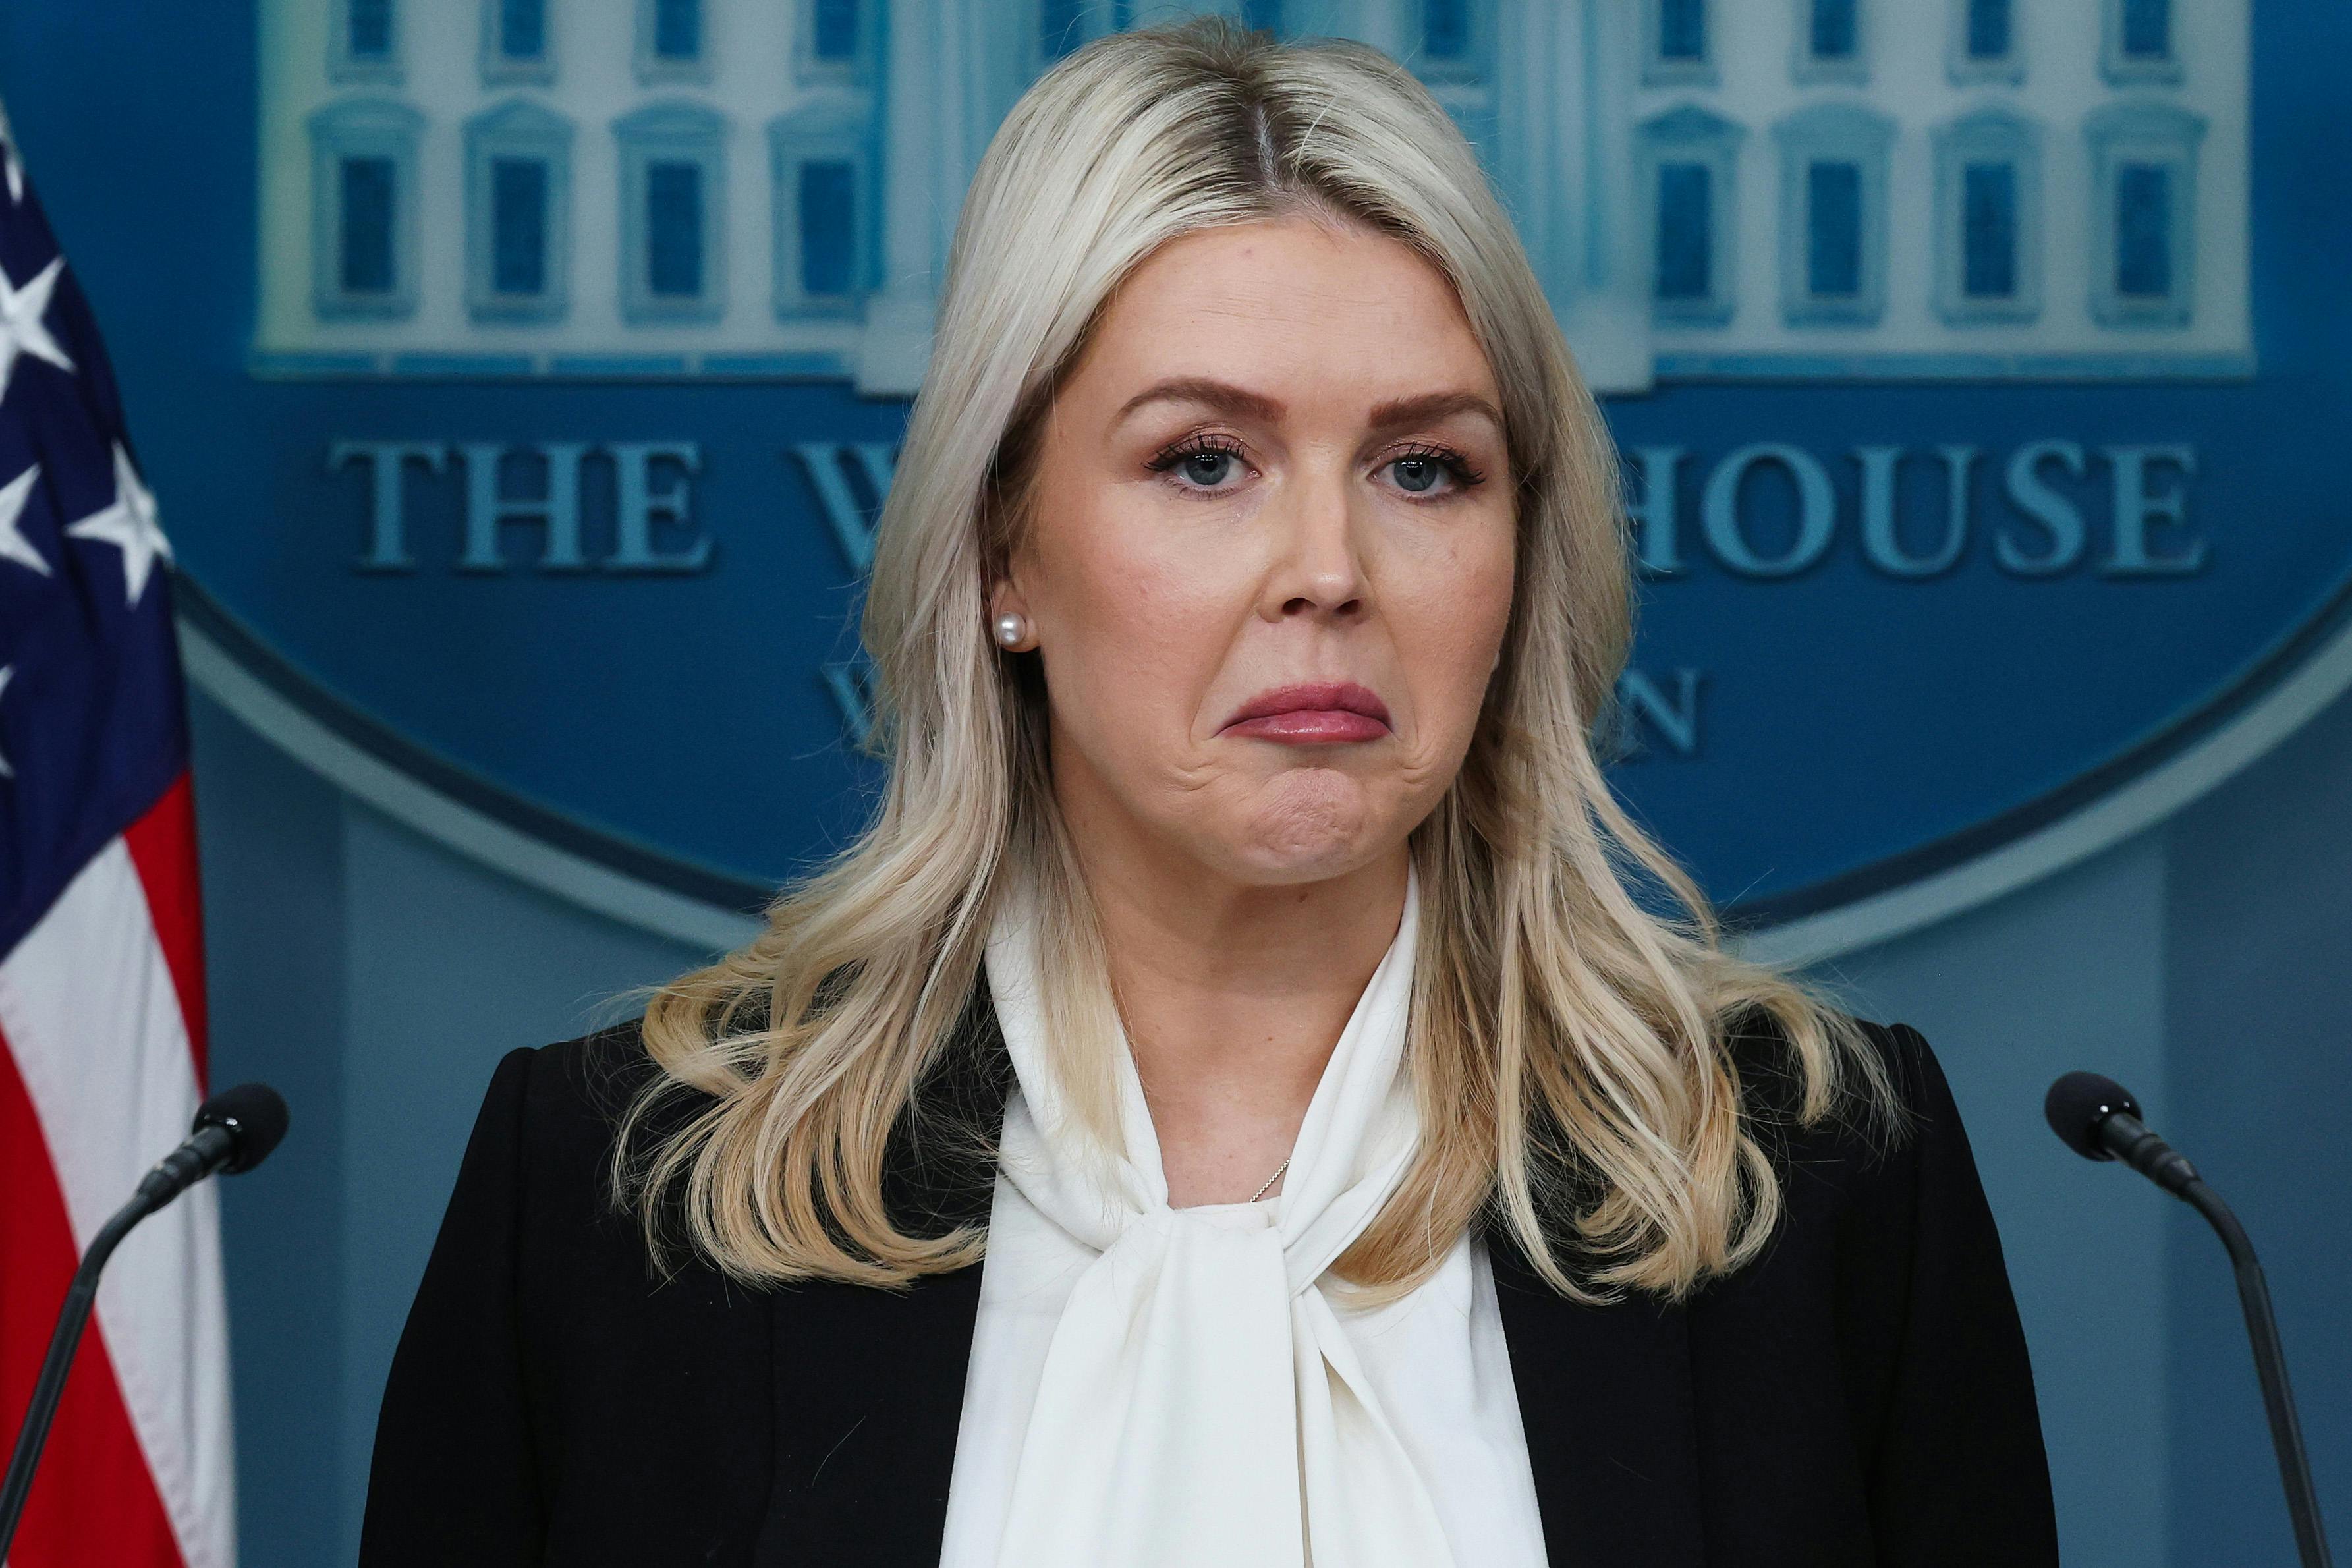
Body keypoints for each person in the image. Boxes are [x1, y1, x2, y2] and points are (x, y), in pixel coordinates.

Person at [358, 16, 2059, 1567]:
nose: (1326, 568)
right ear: (1002, 545)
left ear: (1519, 559)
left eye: (1422, 468)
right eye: (1202, 460)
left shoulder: (1813, 1169)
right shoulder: (617, 1184)